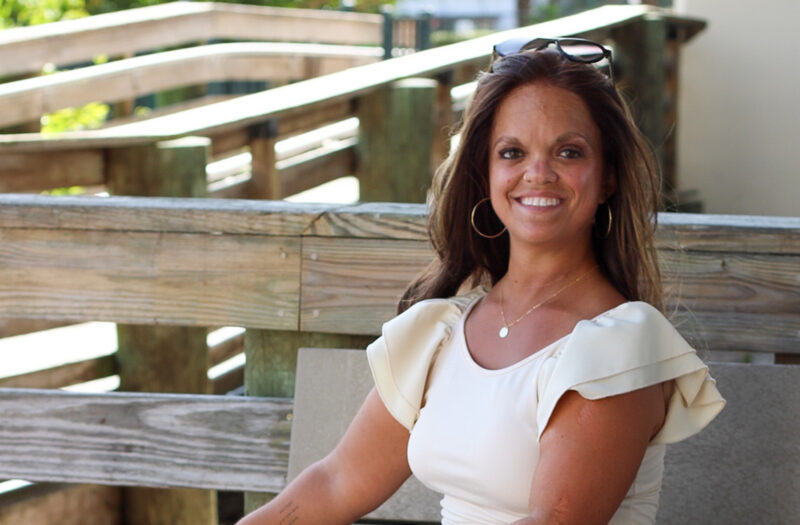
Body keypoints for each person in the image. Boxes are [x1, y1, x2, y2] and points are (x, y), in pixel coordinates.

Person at [237, 37, 725, 525]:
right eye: (512, 152)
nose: (538, 173)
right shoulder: (443, 331)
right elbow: (336, 483)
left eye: (569, 152)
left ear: (608, 179)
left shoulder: (618, 343)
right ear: (485, 173)